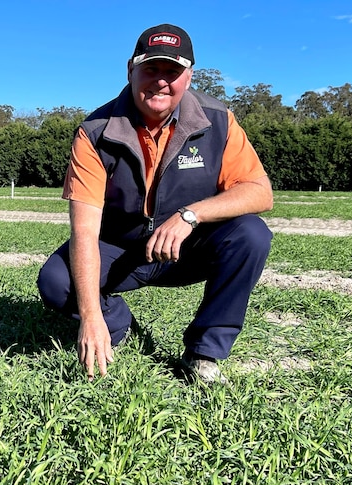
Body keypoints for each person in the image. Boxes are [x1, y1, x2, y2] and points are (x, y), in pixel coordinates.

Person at [37, 23, 273, 383]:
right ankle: (115, 328)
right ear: (131, 69)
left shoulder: (219, 121)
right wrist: (90, 317)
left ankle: (204, 353)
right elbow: (84, 232)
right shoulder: (96, 131)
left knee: (251, 234)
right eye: (151, 69)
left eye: (172, 71)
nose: (161, 81)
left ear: (189, 77)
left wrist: (191, 215)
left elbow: (259, 191)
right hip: (121, 250)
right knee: (56, 279)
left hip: (186, 248)